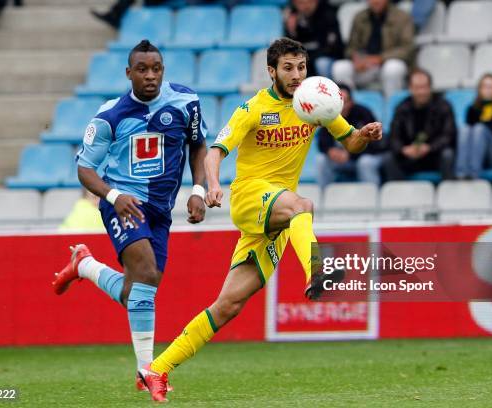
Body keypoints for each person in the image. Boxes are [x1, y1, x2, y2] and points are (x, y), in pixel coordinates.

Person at [136, 37, 382, 402]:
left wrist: (363, 135)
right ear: (272, 71)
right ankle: (317, 269)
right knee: (304, 205)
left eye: (301, 67)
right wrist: (213, 186)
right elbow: (216, 151)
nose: (297, 75)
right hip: (252, 197)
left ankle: (156, 369)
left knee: (229, 305)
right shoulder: (253, 109)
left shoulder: (315, 102)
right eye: (288, 68)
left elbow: (350, 143)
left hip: (280, 217)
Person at [51, 40, 207, 391]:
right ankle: (147, 373)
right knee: (147, 274)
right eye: (142, 69)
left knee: (137, 293)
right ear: (129, 73)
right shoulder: (110, 115)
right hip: (123, 203)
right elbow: (85, 169)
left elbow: (198, 146)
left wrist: (198, 190)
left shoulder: (186, 102)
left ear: (162, 70)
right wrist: (113, 195)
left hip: (160, 211)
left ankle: (85, 265)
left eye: (156, 69)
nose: (150, 76)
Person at [382, 68, 456, 180]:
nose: (421, 92)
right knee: (389, 158)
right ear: (410, 89)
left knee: (447, 155)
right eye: (417, 88)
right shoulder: (402, 108)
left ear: (430, 87)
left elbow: (449, 135)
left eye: (424, 87)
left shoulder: (443, 106)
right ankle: (398, 194)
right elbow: (393, 137)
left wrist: (429, 148)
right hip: (410, 155)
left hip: (434, 155)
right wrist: (403, 149)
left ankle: (448, 191)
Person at [332, 0, 414, 97]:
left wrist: (380, 58)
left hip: (388, 63)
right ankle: (350, 106)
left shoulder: (402, 17)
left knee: (392, 68)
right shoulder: (360, 17)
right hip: (365, 65)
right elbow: (351, 47)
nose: (375, 1)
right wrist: (356, 58)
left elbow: (407, 48)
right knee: (340, 67)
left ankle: (392, 107)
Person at [317, 83, 385, 188]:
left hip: (362, 157)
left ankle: (372, 198)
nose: (340, 105)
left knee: (365, 163)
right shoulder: (328, 114)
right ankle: (323, 198)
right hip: (340, 159)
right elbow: (322, 141)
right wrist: (330, 151)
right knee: (321, 160)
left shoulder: (363, 113)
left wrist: (350, 154)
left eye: (344, 102)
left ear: (351, 102)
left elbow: (375, 143)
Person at [455, 73, 492, 179]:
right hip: (477, 156)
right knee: (464, 129)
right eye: (485, 87)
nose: (488, 90)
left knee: (479, 129)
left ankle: (473, 174)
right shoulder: (472, 109)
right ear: (479, 89)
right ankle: (461, 173)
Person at [284, 0, 344, 78]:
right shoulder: (293, 19)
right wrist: (292, 32)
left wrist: (307, 57)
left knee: (321, 63)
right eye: (301, 3)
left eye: (309, 2)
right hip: (306, 59)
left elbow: (333, 47)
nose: (306, 6)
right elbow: (289, 49)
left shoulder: (328, 16)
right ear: (295, 4)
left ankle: (326, 88)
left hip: (326, 58)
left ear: (316, 2)